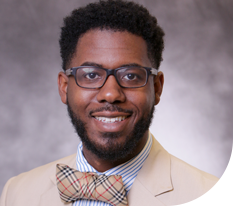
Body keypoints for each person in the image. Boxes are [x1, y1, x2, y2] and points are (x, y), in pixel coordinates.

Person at [0, 0, 218, 205]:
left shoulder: (215, 197)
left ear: (157, 88)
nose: (111, 94)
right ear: (64, 87)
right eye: (91, 75)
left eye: (131, 76)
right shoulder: (17, 193)